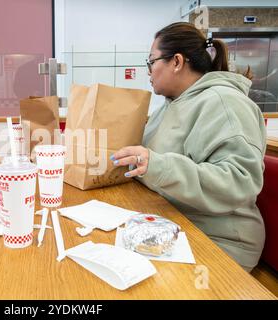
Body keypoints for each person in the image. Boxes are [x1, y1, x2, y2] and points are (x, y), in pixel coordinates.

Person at [111, 22, 267, 272]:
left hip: (219, 239)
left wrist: (158, 165)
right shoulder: (171, 104)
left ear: (176, 62)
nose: (148, 71)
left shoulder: (224, 102)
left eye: (151, 62)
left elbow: (240, 182)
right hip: (174, 223)